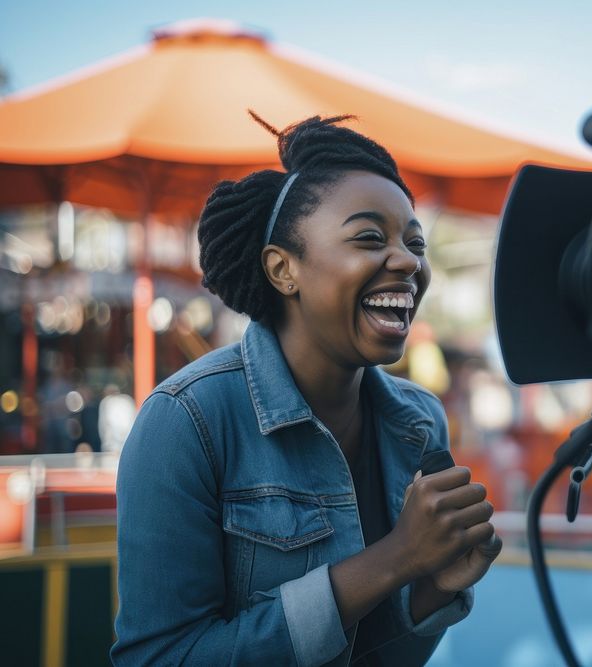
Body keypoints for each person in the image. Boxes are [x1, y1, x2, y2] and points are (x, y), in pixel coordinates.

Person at [112, 114, 501, 666]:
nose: (410, 261)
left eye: (416, 243)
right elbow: (159, 659)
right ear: (282, 268)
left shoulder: (419, 421)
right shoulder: (188, 420)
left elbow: (373, 654)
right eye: (370, 237)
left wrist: (433, 587)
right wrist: (395, 558)